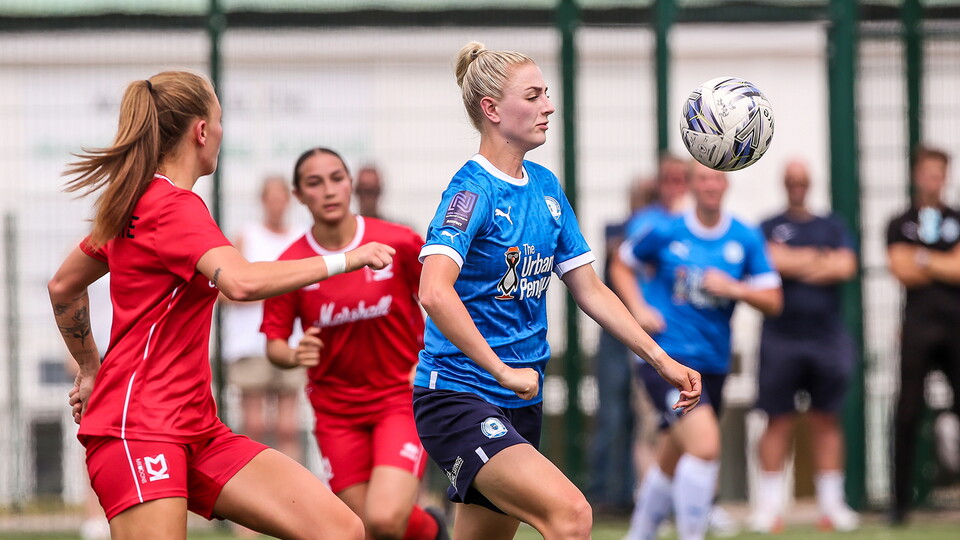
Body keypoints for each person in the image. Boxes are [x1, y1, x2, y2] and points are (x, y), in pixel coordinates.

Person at [47, 70, 396, 540]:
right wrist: (347, 258)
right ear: (202, 131)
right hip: (141, 430)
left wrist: (92, 369)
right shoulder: (171, 206)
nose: (223, 132)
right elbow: (242, 281)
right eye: (221, 119)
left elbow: (63, 286)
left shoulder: (138, 202)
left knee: (340, 530)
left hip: (197, 431)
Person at [412, 42, 701, 540]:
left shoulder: (545, 187)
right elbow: (434, 292)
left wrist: (661, 360)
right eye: (534, 95)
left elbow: (590, 288)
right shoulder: (471, 192)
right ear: (492, 109)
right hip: (459, 397)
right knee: (571, 514)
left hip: (520, 399)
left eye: (547, 93)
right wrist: (501, 369)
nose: (548, 105)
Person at [261, 147, 448, 540]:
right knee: (361, 528)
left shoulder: (396, 241)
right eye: (314, 182)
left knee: (382, 520)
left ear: (350, 184)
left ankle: (431, 529)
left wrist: (435, 354)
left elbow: (444, 298)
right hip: (335, 413)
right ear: (299, 195)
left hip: (399, 399)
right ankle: (432, 529)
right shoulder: (291, 264)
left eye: (336, 178)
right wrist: (293, 355)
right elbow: (274, 344)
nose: (328, 190)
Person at [619, 160, 782, 540]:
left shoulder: (744, 236)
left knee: (673, 455)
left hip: (714, 363)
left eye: (717, 178)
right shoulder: (664, 229)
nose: (711, 185)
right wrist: (638, 308)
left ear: (726, 184)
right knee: (705, 446)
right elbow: (621, 265)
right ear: (692, 185)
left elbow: (774, 300)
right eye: (703, 178)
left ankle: (639, 534)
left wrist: (735, 288)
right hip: (667, 360)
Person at [747, 160, 860, 533]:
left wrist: (792, 260)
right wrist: (817, 258)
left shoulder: (832, 225)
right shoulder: (767, 224)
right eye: (791, 179)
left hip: (826, 336)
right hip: (781, 335)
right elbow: (768, 260)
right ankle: (769, 506)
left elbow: (845, 266)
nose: (797, 184)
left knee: (826, 417)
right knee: (777, 418)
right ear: (784, 183)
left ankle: (832, 505)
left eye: (802, 180)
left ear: (810, 183)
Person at [886, 145, 960, 525]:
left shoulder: (957, 218)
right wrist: (941, 261)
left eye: (939, 172)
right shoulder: (900, 221)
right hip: (916, 328)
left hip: (956, 328)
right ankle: (899, 505)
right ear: (918, 175)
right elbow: (900, 268)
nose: (933, 178)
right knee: (908, 412)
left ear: (945, 176)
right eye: (927, 171)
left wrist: (924, 258)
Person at [222, 176, 305, 462]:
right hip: (250, 343)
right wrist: (272, 291)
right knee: (254, 425)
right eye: (271, 198)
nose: (277, 205)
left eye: (281, 198)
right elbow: (226, 291)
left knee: (288, 427)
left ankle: (292, 490)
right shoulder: (246, 236)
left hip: (289, 340)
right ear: (262, 201)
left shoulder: (300, 237)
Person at [588, 177, 656, 517]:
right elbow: (616, 259)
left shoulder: (660, 229)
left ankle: (632, 492)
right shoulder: (621, 229)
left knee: (639, 419)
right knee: (612, 416)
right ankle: (604, 491)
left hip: (647, 333)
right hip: (615, 336)